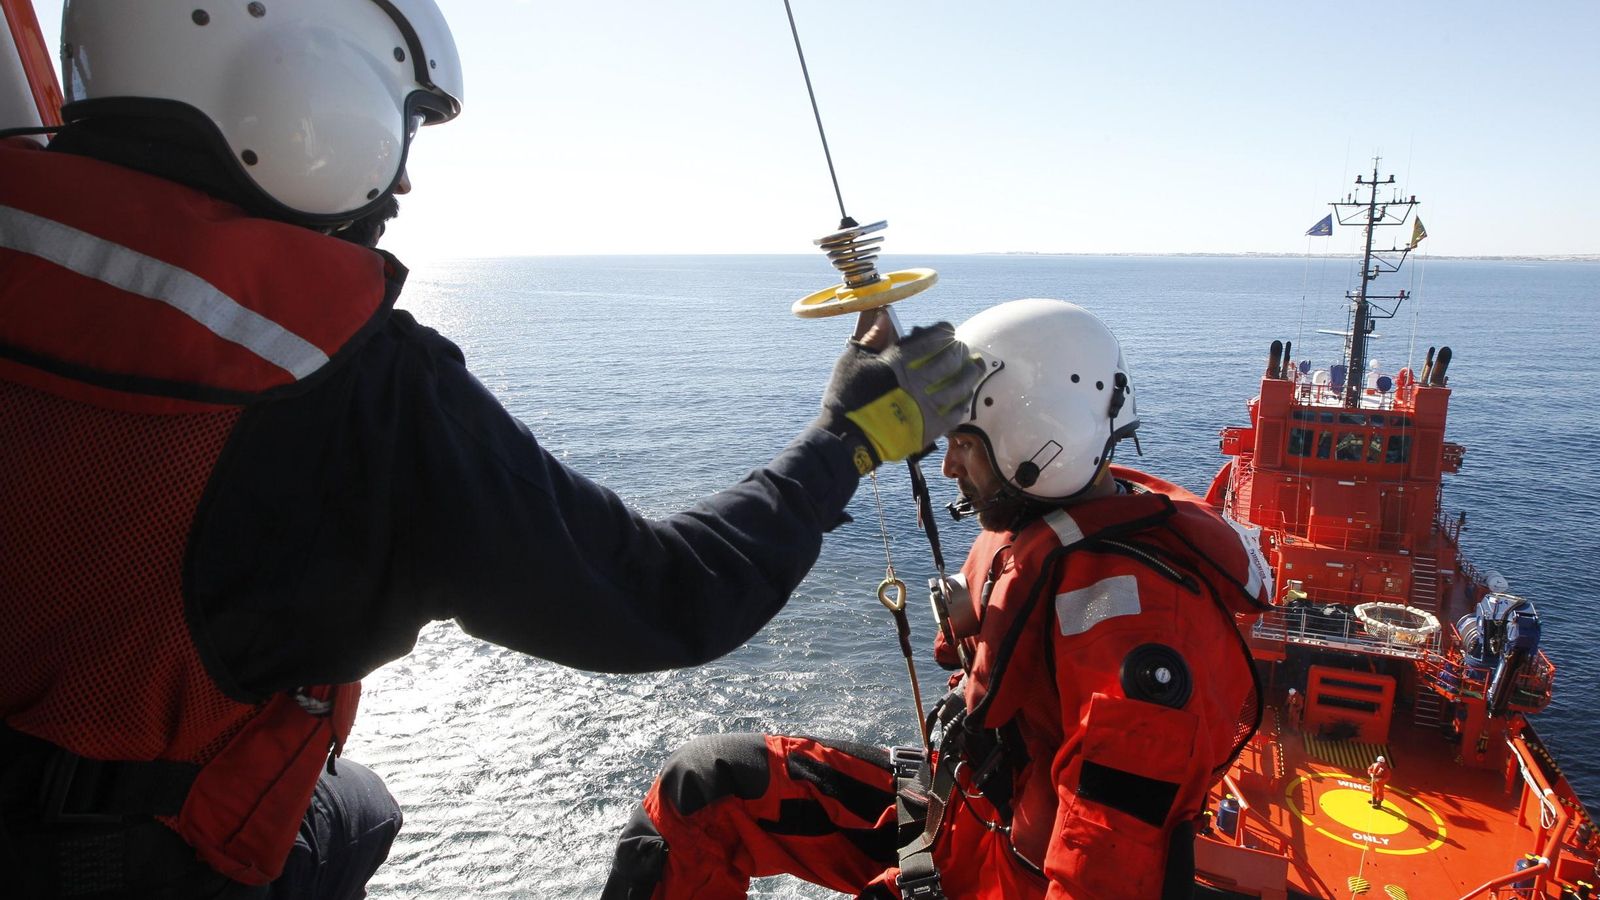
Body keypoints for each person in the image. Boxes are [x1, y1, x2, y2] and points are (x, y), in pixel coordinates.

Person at [0, 1, 982, 896]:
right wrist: (850, 438)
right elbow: (667, 597)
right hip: (145, 859)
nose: (406, 173)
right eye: (403, 123)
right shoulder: (361, 388)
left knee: (362, 807)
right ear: (304, 87)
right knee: (358, 813)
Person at [603, 299, 1273, 900]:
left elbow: (1108, 863)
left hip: (1003, 873)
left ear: (1042, 439)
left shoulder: (1141, 640)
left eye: (963, 444)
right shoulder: (1047, 538)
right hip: (964, 819)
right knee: (702, 791)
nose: (949, 466)